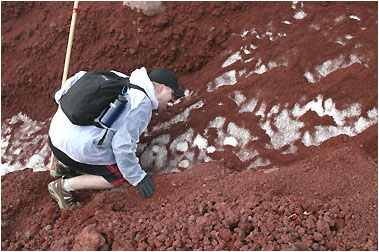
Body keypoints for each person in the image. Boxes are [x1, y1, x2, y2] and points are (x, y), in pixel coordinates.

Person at [47, 67, 184, 210]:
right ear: (161, 88)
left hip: (55, 137)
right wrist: (138, 178)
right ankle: (63, 187)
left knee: (100, 134)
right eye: (172, 94)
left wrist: (60, 95)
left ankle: (63, 168)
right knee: (118, 176)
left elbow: (81, 77)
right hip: (71, 148)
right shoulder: (142, 104)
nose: (172, 100)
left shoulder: (119, 77)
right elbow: (121, 146)